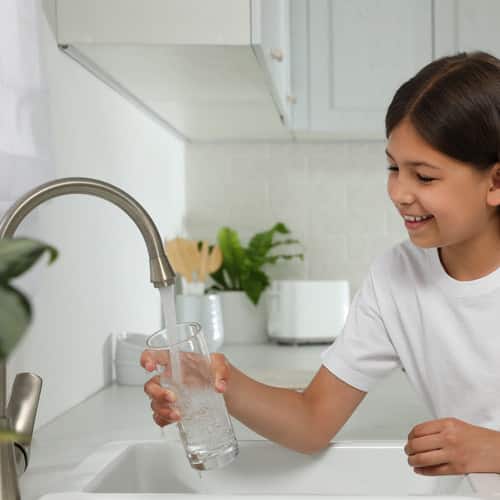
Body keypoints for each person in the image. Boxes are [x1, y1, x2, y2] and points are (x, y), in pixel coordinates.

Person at [141, 51, 500, 476]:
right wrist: (219, 383)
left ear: (494, 182)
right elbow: (312, 421)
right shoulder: (397, 278)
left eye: (423, 176)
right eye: (392, 167)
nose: (399, 192)